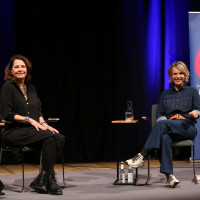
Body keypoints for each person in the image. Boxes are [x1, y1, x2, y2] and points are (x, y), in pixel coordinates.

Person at [126, 61, 200, 188]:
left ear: (185, 75)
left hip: (186, 127)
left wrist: (196, 113)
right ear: (171, 76)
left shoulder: (192, 91)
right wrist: (165, 123)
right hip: (169, 126)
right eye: (175, 73)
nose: (178, 76)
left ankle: (141, 155)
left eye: (181, 73)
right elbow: (159, 114)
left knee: (163, 126)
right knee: (164, 136)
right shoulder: (165, 94)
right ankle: (169, 176)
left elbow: (198, 109)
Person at [0, 55, 65, 195]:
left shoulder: (31, 88)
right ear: (11, 71)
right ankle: (48, 179)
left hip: (31, 131)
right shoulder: (8, 88)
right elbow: (7, 114)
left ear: (27, 69)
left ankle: (42, 178)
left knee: (59, 138)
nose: (20, 69)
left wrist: (44, 124)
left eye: (22, 66)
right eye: (16, 67)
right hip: (13, 131)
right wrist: (29, 119)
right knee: (49, 137)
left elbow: (38, 111)